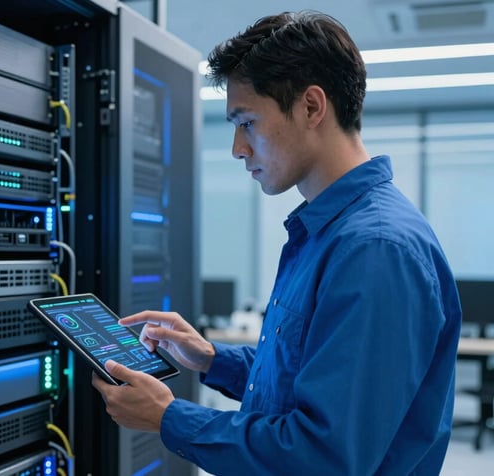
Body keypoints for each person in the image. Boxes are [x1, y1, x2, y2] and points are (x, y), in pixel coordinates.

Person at [92, 10, 462, 475]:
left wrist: (170, 419)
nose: (237, 148)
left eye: (246, 122)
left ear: (311, 107)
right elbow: (309, 381)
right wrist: (212, 360)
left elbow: (324, 457)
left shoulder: (375, 250)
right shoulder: (326, 233)